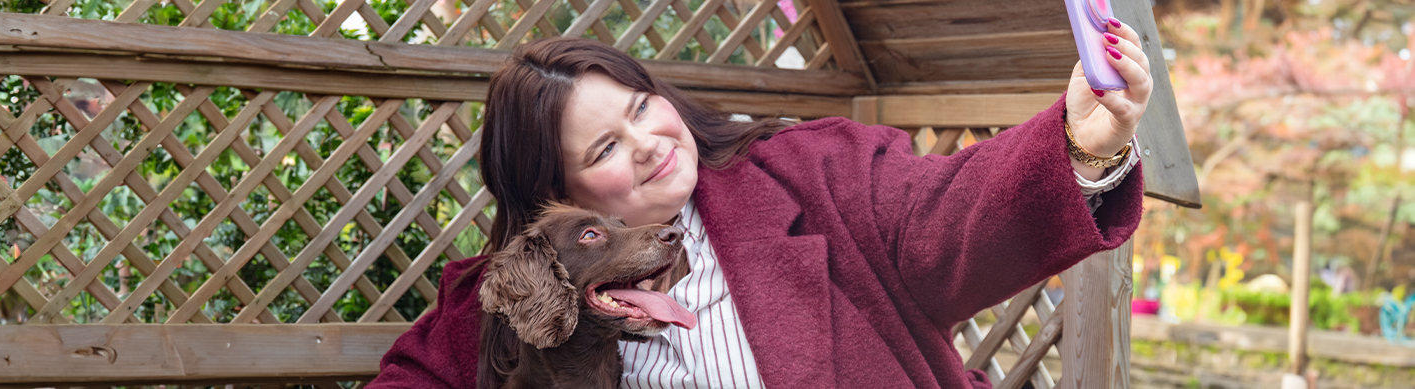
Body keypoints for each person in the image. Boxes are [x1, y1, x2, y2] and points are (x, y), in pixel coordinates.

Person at [369, 15, 1151, 389]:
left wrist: (1079, 143)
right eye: (604, 148)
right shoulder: (524, 295)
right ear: (557, 195)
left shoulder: (812, 172)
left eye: (641, 106)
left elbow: (944, 213)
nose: (647, 141)